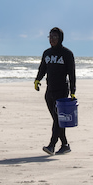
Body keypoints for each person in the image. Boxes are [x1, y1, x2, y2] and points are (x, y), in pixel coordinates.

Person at [34, 27, 76, 155]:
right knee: (56, 119)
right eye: (50, 37)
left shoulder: (67, 54)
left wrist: (73, 91)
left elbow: (72, 74)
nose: (52, 40)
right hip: (49, 91)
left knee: (57, 119)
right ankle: (65, 145)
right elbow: (42, 68)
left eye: (54, 37)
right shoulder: (46, 53)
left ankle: (52, 145)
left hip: (62, 91)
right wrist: (37, 80)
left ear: (60, 38)